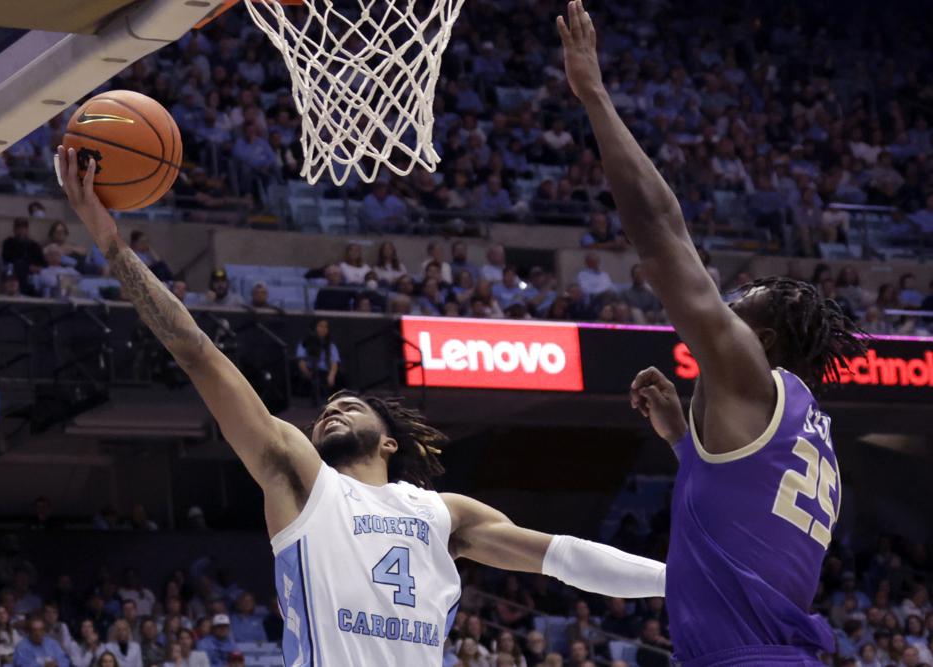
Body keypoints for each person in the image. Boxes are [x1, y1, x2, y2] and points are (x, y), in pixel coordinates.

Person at [57, 145, 667, 667]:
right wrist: (110, 243)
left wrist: (673, 580)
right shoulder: (298, 473)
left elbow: (563, 557)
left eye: (350, 404)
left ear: (391, 440)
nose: (332, 409)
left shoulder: (444, 514)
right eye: (327, 406)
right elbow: (197, 352)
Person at [557, 4, 865, 666]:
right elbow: (741, 526)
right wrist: (682, 441)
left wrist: (596, 96)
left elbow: (661, 230)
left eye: (738, 304)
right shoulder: (809, 431)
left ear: (768, 339)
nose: (722, 307)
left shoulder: (755, 374)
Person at [295, 319, 343, 404]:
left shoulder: (331, 346)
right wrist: (307, 374)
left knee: (341, 379)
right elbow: (301, 362)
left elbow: (334, 362)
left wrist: (331, 375)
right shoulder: (304, 343)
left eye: (326, 327)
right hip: (310, 371)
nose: (323, 329)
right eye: (321, 326)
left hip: (326, 372)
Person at [0, 219, 44, 294]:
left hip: (33, 272)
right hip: (14, 269)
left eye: (23, 228)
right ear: (14, 230)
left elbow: (41, 262)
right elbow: (6, 258)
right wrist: (26, 266)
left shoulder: (34, 245)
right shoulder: (9, 242)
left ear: (27, 230)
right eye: (18, 228)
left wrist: (35, 268)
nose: (21, 230)